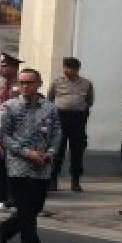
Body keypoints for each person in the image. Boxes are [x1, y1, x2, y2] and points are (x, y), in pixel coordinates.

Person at [0, 67, 60, 243]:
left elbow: (56, 133)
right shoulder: (10, 107)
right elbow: (2, 135)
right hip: (19, 165)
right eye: (22, 82)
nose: (25, 86)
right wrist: (26, 153)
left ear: (39, 84)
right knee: (26, 208)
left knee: (34, 207)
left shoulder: (49, 108)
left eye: (29, 82)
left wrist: (50, 153)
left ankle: (4, 230)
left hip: (42, 165)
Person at [47, 57, 95, 193]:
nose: (66, 70)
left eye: (70, 68)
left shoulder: (86, 84)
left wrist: (82, 109)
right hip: (60, 118)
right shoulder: (57, 83)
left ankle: (75, 181)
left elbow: (90, 100)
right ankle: (53, 179)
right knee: (57, 150)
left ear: (77, 70)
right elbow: (49, 99)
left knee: (77, 151)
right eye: (65, 67)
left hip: (78, 119)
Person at [0, 52, 22, 208]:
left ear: (14, 67)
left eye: (5, 66)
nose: (1, 68)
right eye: (1, 65)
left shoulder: (22, 83)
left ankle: (12, 195)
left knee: (12, 163)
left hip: (15, 128)